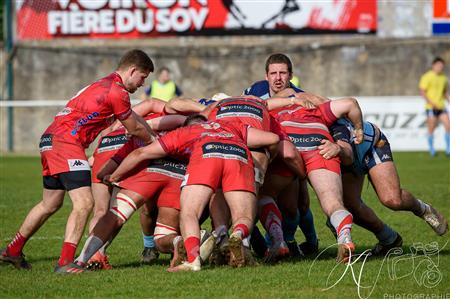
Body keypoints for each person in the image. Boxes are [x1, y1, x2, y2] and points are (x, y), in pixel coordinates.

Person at [0, 49, 155, 271]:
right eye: (143, 77)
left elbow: (135, 119)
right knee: (85, 203)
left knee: (50, 204)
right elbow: (134, 127)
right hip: (66, 143)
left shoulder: (105, 84)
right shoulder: (117, 91)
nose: (142, 83)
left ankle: (12, 251)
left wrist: (150, 134)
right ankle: (66, 263)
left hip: (50, 139)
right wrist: (155, 142)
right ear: (132, 71)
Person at [244, 53, 319, 256]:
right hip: (263, 152)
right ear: (266, 75)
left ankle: (308, 242)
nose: (278, 78)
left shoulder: (299, 97)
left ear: (291, 75)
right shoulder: (254, 90)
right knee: (253, 197)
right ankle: (267, 243)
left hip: (289, 154)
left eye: (283, 73)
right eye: (273, 73)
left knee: (296, 205)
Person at [419, 57, 450, 156]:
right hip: (431, 107)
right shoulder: (427, 77)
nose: (440, 67)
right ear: (433, 65)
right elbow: (422, 92)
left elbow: (444, 92)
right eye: (438, 65)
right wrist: (432, 103)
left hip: (441, 107)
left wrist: (448, 100)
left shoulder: (444, 78)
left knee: (448, 126)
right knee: (431, 128)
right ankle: (432, 149)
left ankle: (448, 149)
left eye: (442, 66)